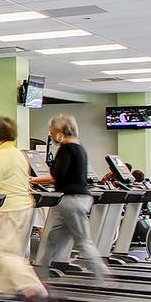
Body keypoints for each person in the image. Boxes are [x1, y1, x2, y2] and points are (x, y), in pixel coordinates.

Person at [0, 115, 44, 301]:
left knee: (0, 251)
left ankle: (32, 286)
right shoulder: (18, 154)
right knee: (11, 251)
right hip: (24, 206)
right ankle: (1, 291)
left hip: (7, 208)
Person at [33, 113, 110, 277]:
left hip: (71, 200)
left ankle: (103, 275)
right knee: (50, 240)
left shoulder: (66, 148)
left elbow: (56, 175)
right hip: (74, 200)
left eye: (52, 131)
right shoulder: (79, 147)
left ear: (60, 130)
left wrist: (32, 179)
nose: (51, 135)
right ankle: (39, 275)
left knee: (82, 241)